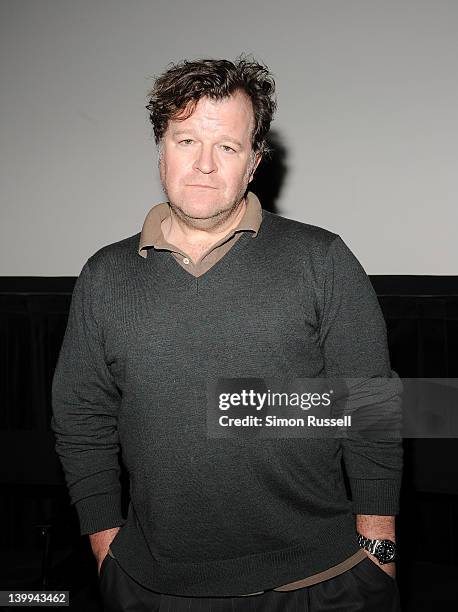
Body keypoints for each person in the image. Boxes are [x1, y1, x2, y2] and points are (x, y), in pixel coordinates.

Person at [51, 56, 403, 611]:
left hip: (321, 580)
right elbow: (80, 420)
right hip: (152, 585)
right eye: (186, 140)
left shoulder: (322, 259)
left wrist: (377, 550)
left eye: (228, 147)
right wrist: (104, 546)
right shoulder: (104, 276)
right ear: (160, 149)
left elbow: (371, 409)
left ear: (254, 162)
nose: (205, 165)